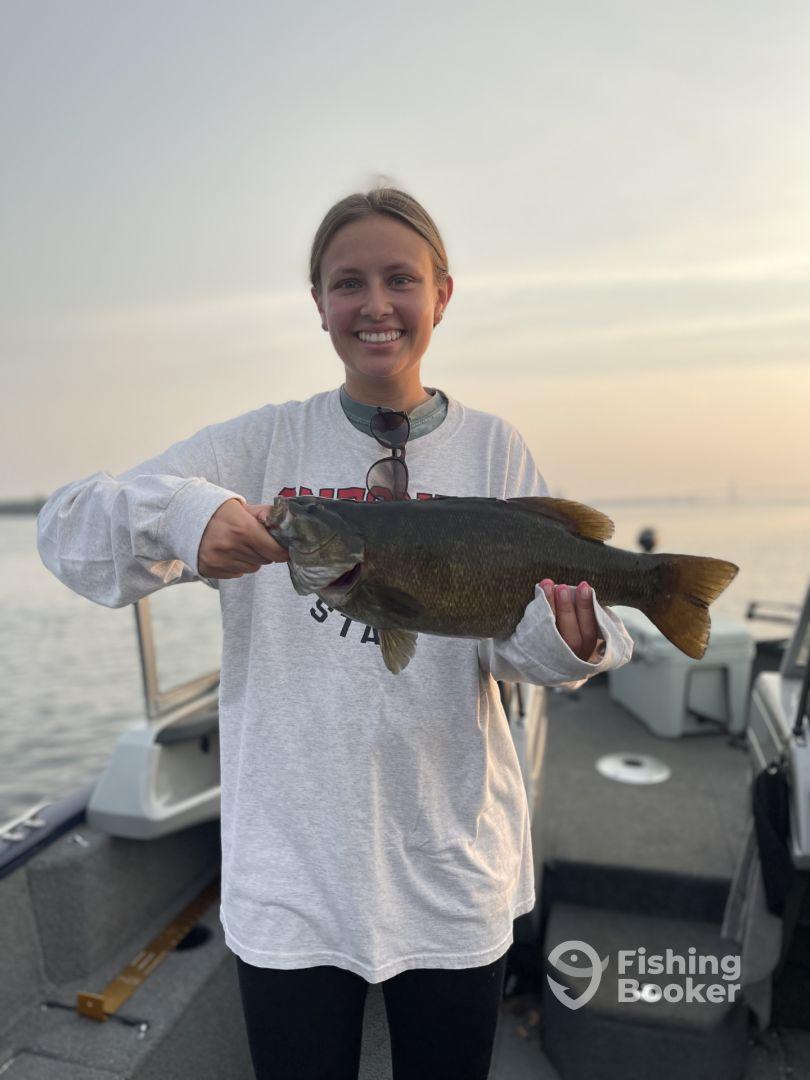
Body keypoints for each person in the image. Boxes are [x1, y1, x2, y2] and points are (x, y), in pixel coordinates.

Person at [37, 186, 633, 1080]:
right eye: (348, 282)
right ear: (318, 304)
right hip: (294, 874)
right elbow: (68, 526)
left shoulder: (494, 450)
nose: (376, 304)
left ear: (443, 294)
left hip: (451, 865)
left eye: (401, 278)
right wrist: (186, 516)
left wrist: (572, 643)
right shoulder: (261, 445)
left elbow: (513, 647)